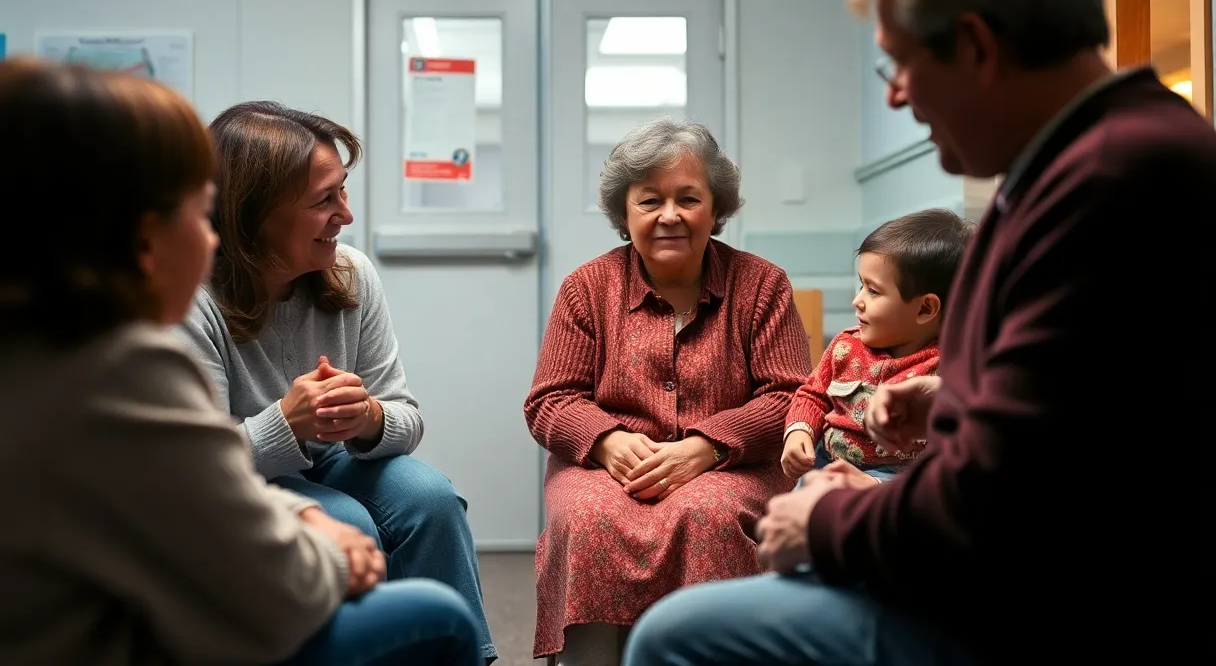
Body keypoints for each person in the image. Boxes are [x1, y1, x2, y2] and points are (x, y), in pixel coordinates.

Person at [622, 0, 1214, 666]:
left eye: (899, 63)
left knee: (674, 636)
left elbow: (1006, 502)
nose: (897, 98)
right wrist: (954, 395)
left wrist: (826, 522)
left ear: (975, 45)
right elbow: (1087, 410)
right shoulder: (1091, 159)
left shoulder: (1112, 184)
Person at [0, 58, 481, 666]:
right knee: (429, 611)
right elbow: (241, 543)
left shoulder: (50, 350)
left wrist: (365, 423)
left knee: (428, 497)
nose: (208, 237)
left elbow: (177, 484)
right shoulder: (124, 367)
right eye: (197, 213)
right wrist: (314, 500)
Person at [178, 100, 496, 663]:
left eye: (342, 191)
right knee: (342, 523)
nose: (345, 215)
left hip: (327, 459)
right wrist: (285, 421)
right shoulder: (193, 298)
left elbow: (405, 415)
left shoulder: (350, 271)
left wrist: (371, 420)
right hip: (237, 473)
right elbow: (198, 468)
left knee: (432, 499)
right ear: (253, 215)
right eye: (324, 200)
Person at [525, 117, 814, 666]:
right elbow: (549, 401)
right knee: (587, 519)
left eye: (688, 198)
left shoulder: (762, 285)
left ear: (716, 207)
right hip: (605, 466)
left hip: (732, 468)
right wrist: (607, 440)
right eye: (650, 200)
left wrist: (706, 445)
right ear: (624, 211)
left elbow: (788, 396)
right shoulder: (587, 289)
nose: (670, 216)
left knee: (707, 513)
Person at [781, 208, 972, 483]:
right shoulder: (845, 346)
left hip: (898, 482)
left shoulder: (952, 366)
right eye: (861, 285)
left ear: (925, 308)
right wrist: (799, 431)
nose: (857, 301)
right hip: (827, 464)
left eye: (873, 290)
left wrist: (873, 486)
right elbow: (812, 395)